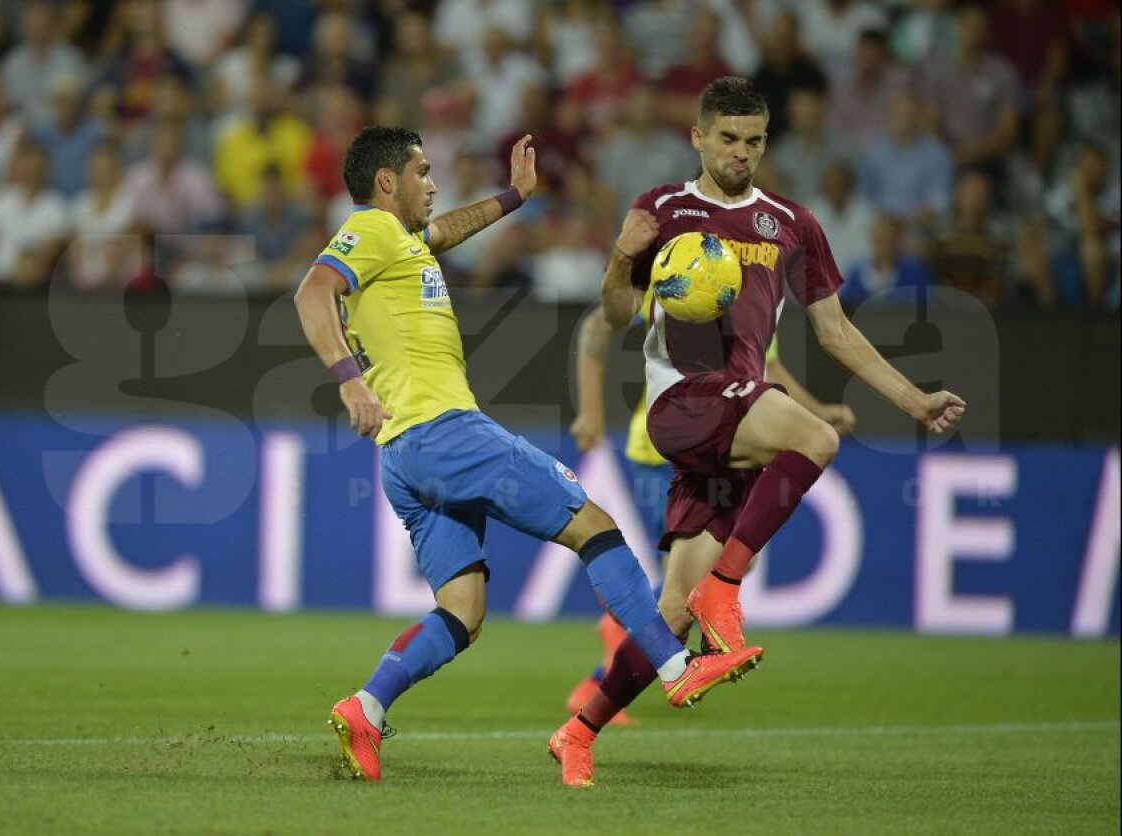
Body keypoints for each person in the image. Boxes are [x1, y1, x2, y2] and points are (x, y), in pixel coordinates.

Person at [294, 127, 760, 784]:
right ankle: (676, 666)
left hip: (404, 455)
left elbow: (445, 232)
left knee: (463, 610)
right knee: (593, 525)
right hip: (446, 432)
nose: (434, 183)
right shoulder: (370, 229)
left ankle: (366, 709)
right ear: (387, 182)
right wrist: (348, 379)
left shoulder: (402, 242)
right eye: (423, 172)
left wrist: (514, 196)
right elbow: (312, 291)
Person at [547, 76, 965, 787]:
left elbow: (835, 331)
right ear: (698, 138)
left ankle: (578, 731)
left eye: (754, 141)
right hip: (683, 399)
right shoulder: (663, 210)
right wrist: (620, 257)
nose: (741, 152)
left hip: (733, 423)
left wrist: (913, 399)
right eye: (728, 138)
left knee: (669, 615)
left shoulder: (792, 224)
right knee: (817, 439)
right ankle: (726, 588)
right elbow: (614, 315)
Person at [563, 297, 856, 725]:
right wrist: (590, 412)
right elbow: (597, 324)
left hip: (720, 446)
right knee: (684, 592)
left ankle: (615, 655)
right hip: (666, 451)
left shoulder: (754, 291)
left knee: (729, 564)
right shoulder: (685, 280)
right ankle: (603, 673)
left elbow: (769, 371)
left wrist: (816, 413)